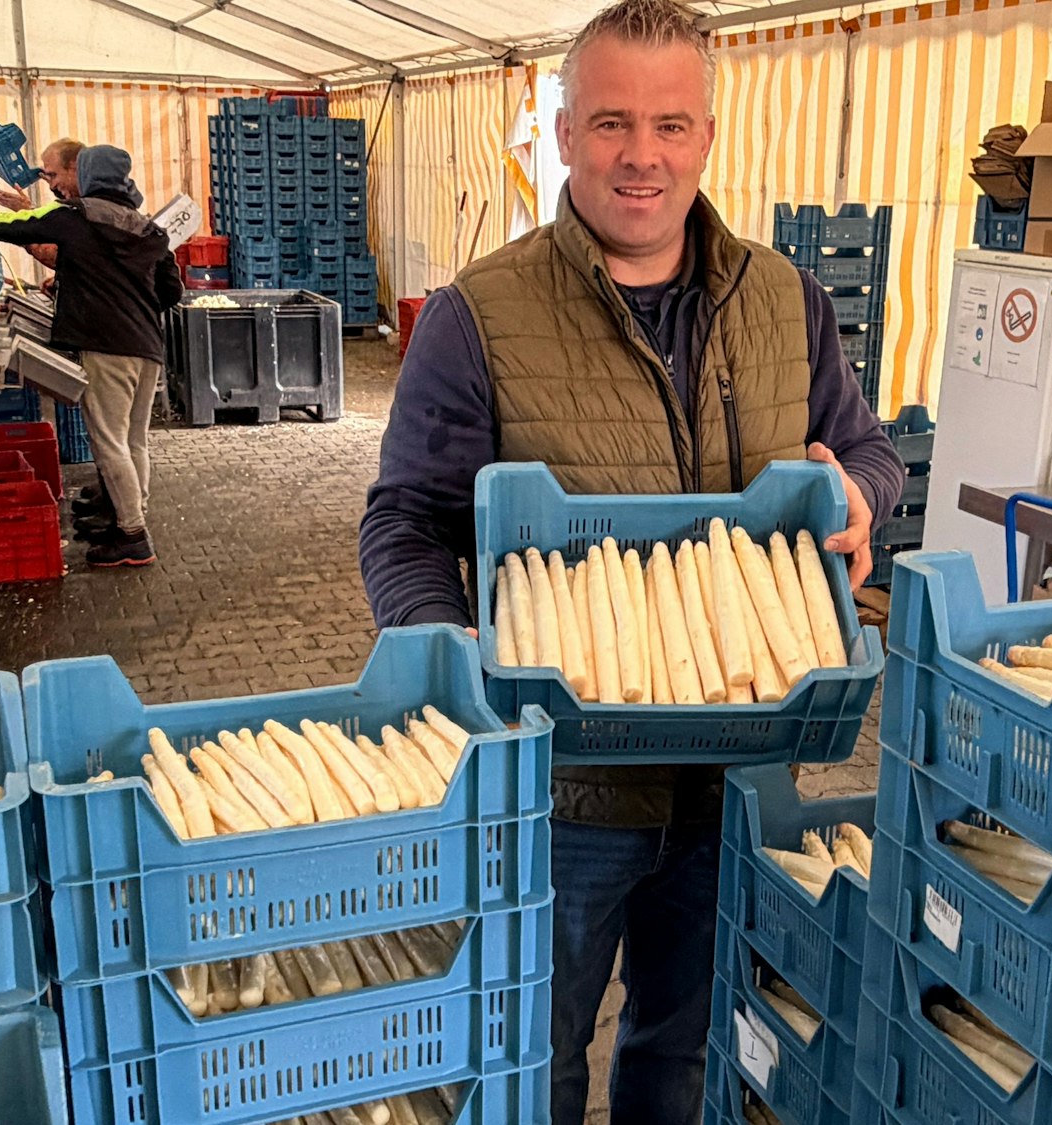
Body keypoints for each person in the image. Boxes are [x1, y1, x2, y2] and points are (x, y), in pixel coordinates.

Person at [356, 1, 906, 1120]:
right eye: (609, 122)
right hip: (560, 787)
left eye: (668, 124)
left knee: (687, 1045)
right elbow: (405, 519)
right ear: (562, 134)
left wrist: (861, 493)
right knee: (533, 1054)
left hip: (745, 765)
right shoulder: (478, 315)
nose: (640, 155)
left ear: (706, 133)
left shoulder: (783, 299)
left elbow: (863, 448)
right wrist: (438, 641)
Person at [0, 144, 184, 568]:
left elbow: (19, 225)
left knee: (108, 443)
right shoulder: (150, 230)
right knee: (134, 440)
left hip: (105, 347)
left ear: (85, 173)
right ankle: (127, 516)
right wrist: (125, 298)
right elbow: (170, 292)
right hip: (147, 347)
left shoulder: (76, 217)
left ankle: (134, 535)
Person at [0, 137, 83, 272]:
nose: (52, 185)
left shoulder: (90, 208)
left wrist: (27, 219)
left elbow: (55, 254)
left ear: (74, 167)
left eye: (53, 175)